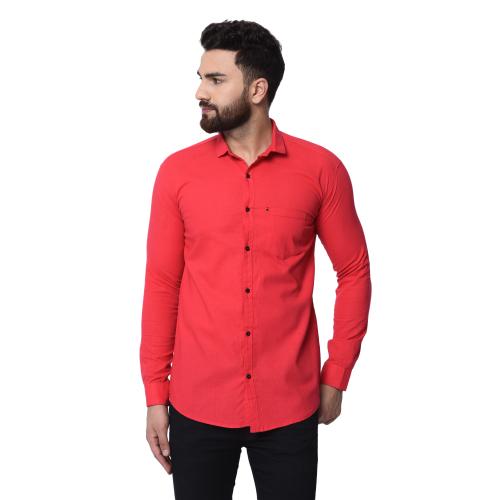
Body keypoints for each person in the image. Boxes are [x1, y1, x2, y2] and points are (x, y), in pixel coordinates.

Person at [140, 19, 372, 500]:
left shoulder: (321, 170)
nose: (200, 92)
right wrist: (155, 394)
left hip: (290, 404)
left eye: (215, 80)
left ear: (258, 89)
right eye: (201, 78)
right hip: (198, 404)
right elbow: (163, 284)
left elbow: (353, 271)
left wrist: (337, 374)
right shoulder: (177, 174)